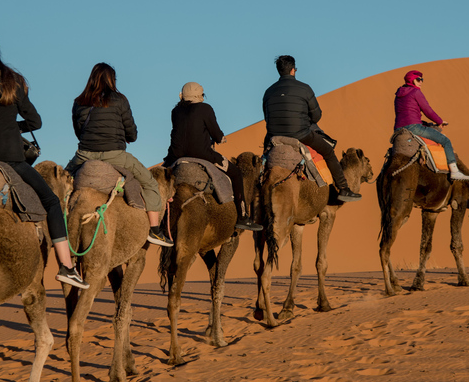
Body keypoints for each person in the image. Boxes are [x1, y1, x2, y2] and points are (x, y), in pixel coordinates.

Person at [0, 35, 89, 289]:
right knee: (52, 202)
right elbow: (35, 122)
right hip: (11, 159)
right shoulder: (13, 82)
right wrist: (10, 128)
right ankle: (67, 267)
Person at [65, 63, 174, 247]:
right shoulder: (120, 99)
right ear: (111, 79)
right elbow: (132, 132)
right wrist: (124, 136)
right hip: (114, 154)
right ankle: (155, 231)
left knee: (61, 182)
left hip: (84, 155)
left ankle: (55, 227)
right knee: (149, 183)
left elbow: (78, 131)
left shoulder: (79, 101)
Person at [163, 82, 263, 231]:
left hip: (175, 156)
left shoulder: (175, 111)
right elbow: (216, 134)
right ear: (198, 95)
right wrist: (221, 138)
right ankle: (243, 217)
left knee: (158, 180)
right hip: (203, 154)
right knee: (236, 174)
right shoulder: (205, 109)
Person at [262, 55, 361, 202]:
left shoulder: (268, 92)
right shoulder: (305, 88)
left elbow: (267, 116)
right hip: (301, 134)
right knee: (328, 151)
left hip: (274, 135)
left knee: (264, 158)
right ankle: (343, 189)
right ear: (293, 70)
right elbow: (316, 115)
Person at [393, 70, 469, 181]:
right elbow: (428, 111)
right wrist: (439, 121)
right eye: (418, 79)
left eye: (422, 80)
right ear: (412, 80)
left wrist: (425, 123)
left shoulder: (398, 95)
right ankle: (455, 171)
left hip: (399, 129)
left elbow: (406, 115)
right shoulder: (416, 92)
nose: (421, 82)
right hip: (413, 127)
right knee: (445, 141)